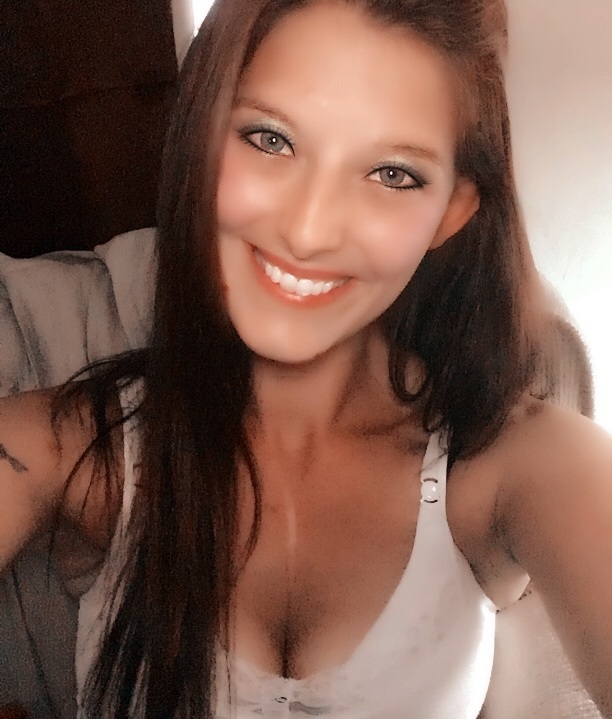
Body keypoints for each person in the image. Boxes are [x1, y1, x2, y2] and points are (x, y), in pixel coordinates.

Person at [1, 1, 611, 718]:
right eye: (271, 138)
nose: (310, 230)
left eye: (392, 174)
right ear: (201, 136)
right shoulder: (70, 445)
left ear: (452, 210)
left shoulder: (523, 466)